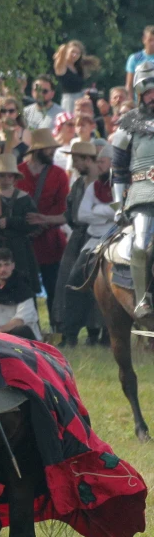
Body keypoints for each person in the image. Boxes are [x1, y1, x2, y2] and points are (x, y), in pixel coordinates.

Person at [109, 60, 154, 318]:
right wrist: (118, 206)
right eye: (148, 92)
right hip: (143, 194)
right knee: (142, 245)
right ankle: (142, 299)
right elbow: (118, 170)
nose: (152, 96)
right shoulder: (129, 124)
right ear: (139, 94)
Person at [57, 141, 111, 346]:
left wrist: (100, 213)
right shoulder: (84, 185)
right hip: (85, 237)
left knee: (108, 285)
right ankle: (69, 333)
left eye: (77, 159)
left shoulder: (115, 185)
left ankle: (104, 332)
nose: (74, 164)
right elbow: (80, 214)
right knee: (73, 281)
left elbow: (118, 213)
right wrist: (103, 213)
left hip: (111, 237)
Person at [16, 127, 70, 328]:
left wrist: (43, 220)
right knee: (26, 289)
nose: (52, 152)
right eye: (48, 149)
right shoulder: (18, 172)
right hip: (24, 241)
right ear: (38, 149)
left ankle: (58, 329)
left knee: (54, 288)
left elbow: (63, 210)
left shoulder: (59, 174)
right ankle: (32, 329)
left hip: (51, 241)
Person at [0, 154, 39, 296]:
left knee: (21, 291)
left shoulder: (25, 199)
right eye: (2, 176)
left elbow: (33, 224)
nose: (6, 179)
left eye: (9, 176)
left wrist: (10, 222)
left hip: (18, 251)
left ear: (14, 178)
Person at [53, 40, 100, 113]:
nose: (74, 55)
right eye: (72, 52)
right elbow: (60, 60)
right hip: (69, 101)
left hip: (81, 99)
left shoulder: (77, 67)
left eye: (77, 53)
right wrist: (63, 49)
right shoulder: (62, 67)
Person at [125, 26, 154, 99]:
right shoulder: (135, 58)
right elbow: (129, 85)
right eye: (150, 40)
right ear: (144, 40)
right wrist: (130, 102)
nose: (152, 43)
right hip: (139, 102)